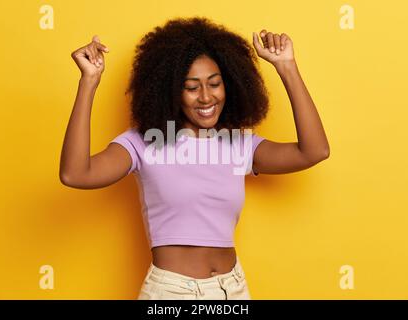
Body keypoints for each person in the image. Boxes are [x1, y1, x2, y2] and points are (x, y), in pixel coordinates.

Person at [60, 17, 330, 300]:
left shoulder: (237, 144)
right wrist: (89, 82)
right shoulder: (145, 141)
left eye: (215, 84)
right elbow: (76, 174)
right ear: (171, 91)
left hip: (232, 289)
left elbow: (314, 151)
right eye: (192, 87)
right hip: (172, 292)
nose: (205, 97)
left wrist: (286, 67)